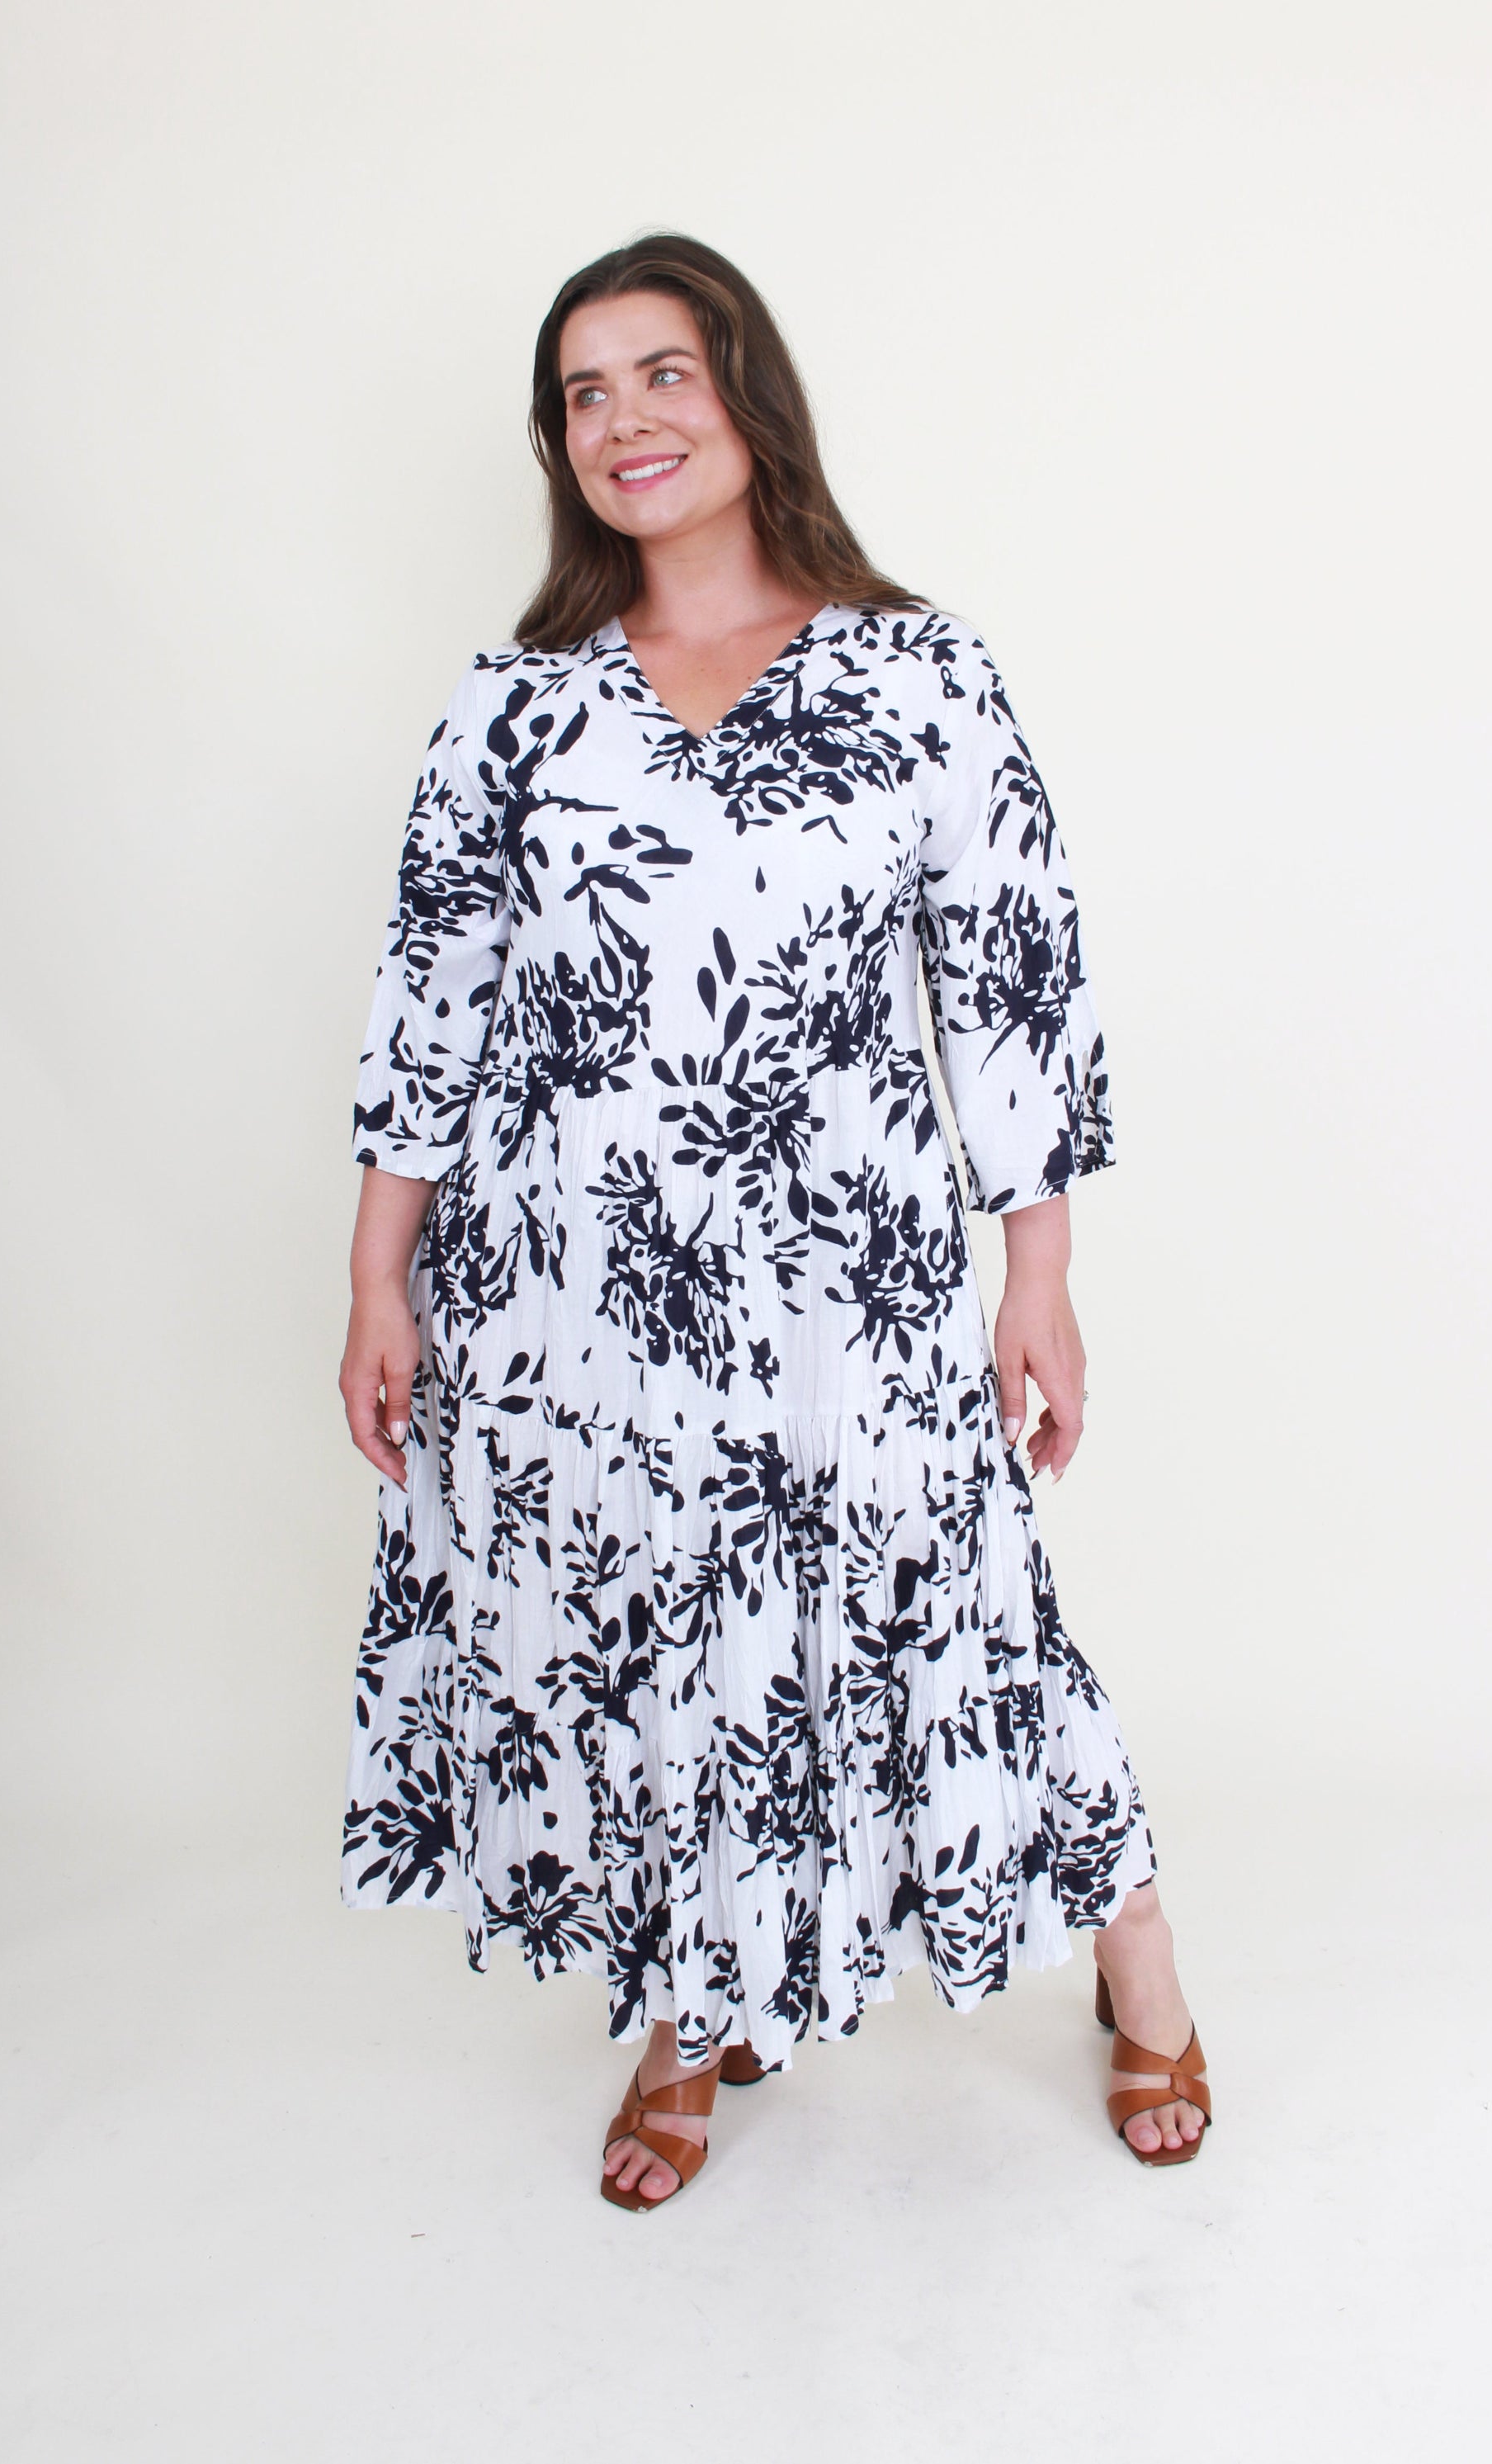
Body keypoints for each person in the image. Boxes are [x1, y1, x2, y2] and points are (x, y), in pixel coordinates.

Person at [338, 233, 1211, 2211]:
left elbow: (1008, 981)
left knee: (959, 1613)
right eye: (583, 394)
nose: (624, 420)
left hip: (852, 1285)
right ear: (559, 448)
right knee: (656, 1634)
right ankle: (688, 2001)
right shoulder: (515, 708)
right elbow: (431, 997)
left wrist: (1039, 1272)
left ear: (746, 392)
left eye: (662, 371)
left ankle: (1134, 1947)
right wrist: (378, 1271)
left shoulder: (915, 673)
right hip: (574, 1290)